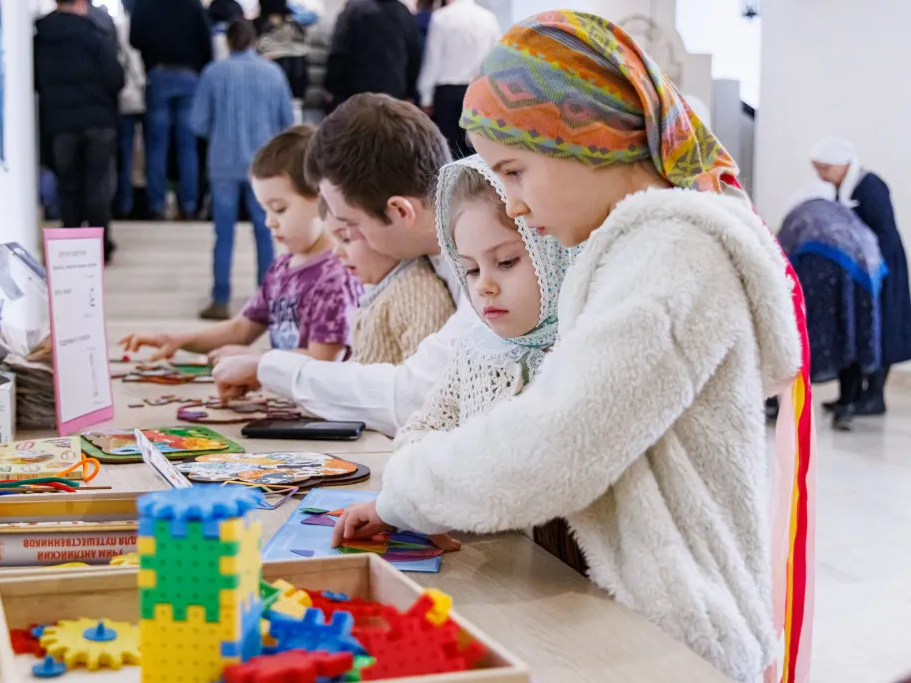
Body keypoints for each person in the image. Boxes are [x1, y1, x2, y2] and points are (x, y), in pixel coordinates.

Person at [330, 13, 815, 682]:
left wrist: (401, 495)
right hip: (641, 626)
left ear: (584, 139)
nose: (518, 207)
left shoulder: (676, 254)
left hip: (677, 640)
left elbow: (559, 442)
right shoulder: (631, 252)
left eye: (516, 171)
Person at [211, 94, 478, 436]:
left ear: (399, 212)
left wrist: (271, 368)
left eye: (350, 227)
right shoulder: (423, 254)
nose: (340, 245)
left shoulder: (479, 257)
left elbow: (416, 397)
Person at [120, 128, 362, 363]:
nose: (270, 222)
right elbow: (241, 329)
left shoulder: (337, 275)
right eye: (264, 210)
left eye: (279, 209)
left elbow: (323, 361)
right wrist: (175, 340)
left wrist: (257, 360)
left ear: (322, 200)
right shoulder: (282, 268)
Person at [396, 155, 577, 446]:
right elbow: (417, 433)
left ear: (554, 255)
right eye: (471, 269)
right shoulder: (474, 352)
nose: (483, 286)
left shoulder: (582, 353)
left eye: (506, 262)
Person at [191, 20, 295, 321]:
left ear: (228, 43)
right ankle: (266, 300)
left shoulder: (213, 73)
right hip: (263, 167)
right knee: (266, 231)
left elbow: (197, 122)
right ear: (254, 41)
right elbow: (287, 121)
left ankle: (220, 299)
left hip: (222, 163)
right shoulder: (272, 73)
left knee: (223, 233)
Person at [811, 137, 911, 415]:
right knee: (853, 329)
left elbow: (882, 233)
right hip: (857, 271)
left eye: (825, 168)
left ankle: (875, 396)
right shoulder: (840, 188)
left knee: (879, 329)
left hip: (882, 269)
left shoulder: (870, 186)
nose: (821, 175)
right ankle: (851, 395)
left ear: (842, 165)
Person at [779, 180, 887, 431]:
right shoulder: (844, 214)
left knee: (798, 334)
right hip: (865, 275)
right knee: (851, 333)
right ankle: (846, 406)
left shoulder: (800, 213)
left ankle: (780, 405)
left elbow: (778, 254)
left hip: (818, 270)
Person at [34, 0, 124, 263]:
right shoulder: (95, 35)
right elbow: (115, 78)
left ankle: (71, 247)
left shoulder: (40, 38)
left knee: (68, 184)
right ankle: (98, 246)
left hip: (59, 123)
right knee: (98, 185)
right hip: (98, 121)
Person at [322, 198, 455, 365]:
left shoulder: (415, 292)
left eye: (346, 238)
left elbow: (427, 378)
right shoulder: (378, 292)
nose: (336, 252)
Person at [130, 0, 213, 220]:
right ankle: (189, 205)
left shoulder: (144, 6)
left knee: (157, 146)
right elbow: (207, 44)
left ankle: (156, 205)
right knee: (188, 146)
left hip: (158, 74)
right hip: (189, 76)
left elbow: (134, 39)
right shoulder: (193, 6)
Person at [416, 0, 501, 159]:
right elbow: (496, 61)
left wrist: (425, 98)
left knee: (449, 152)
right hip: (478, 92)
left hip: (447, 93)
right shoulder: (488, 18)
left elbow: (433, 59)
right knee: (477, 150)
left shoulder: (442, 17)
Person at [324, 0, 421, 109]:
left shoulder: (354, 9)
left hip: (355, 93)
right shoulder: (404, 13)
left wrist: (331, 87)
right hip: (393, 92)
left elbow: (340, 52)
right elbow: (414, 56)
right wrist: (410, 93)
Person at [114, 1, 147, 219]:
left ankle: (125, 205)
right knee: (153, 150)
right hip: (145, 93)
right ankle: (151, 204)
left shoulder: (119, 27)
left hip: (124, 97)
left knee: (125, 153)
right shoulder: (146, 24)